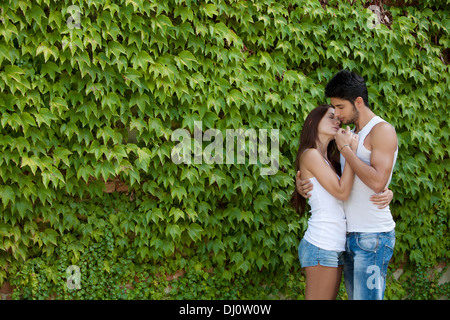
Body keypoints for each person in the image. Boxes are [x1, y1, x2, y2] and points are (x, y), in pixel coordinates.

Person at [296, 70, 398, 300]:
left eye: (340, 108)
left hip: (372, 236)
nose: (337, 115)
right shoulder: (348, 135)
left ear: (358, 102)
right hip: (349, 237)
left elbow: (377, 181)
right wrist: (302, 184)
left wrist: (346, 150)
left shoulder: (381, 130)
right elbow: (337, 183)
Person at [291, 104, 359, 300]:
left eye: (338, 118)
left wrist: (386, 192)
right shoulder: (311, 154)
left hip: (333, 246)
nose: (337, 121)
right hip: (322, 245)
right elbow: (342, 191)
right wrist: (348, 149)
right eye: (331, 117)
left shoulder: (328, 159)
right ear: (312, 122)